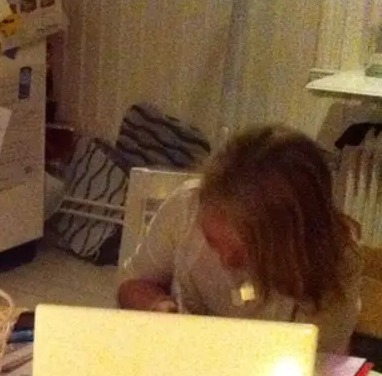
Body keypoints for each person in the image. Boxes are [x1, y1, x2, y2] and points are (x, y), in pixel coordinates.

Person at [117, 124, 361, 354]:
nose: (226, 262)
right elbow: (131, 283)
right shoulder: (185, 208)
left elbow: (319, 372)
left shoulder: (336, 265)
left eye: (247, 253)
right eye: (213, 241)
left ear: (293, 243)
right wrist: (158, 305)